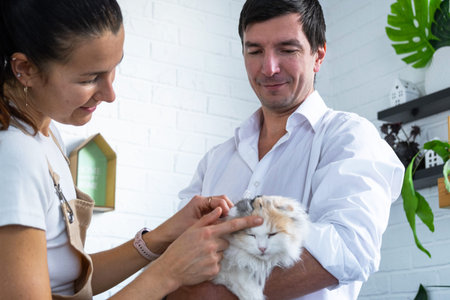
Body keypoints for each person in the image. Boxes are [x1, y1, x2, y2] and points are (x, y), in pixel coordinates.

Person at [0, 1, 263, 299]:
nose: (110, 94)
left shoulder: (47, 137)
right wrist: (170, 271)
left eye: (114, 68)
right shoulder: (14, 156)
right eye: (89, 78)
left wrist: (163, 237)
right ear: (25, 69)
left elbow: (66, 281)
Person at [168, 0, 405, 299]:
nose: (269, 68)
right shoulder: (216, 160)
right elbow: (177, 252)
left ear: (318, 55)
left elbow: (348, 250)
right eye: (255, 51)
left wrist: (214, 295)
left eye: (287, 50)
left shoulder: (349, 139)